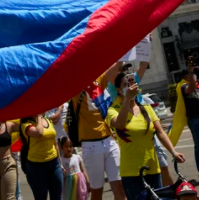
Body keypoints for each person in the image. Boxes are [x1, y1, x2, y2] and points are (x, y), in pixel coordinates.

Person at [106, 72, 184, 200]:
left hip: (153, 168)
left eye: (131, 83)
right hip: (131, 172)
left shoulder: (147, 108)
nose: (130, 87)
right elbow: (119, 124)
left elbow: (160, 132)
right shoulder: (113, 110)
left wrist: (173, 152)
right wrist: (127, 99)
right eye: (125, 85)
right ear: (119, 91)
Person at [69, 70, 125, 200]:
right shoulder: (76, 87)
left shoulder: (99, 80)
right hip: (90, 145)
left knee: (120, 187)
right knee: (97, 191)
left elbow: (115, 66)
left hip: (109, 141)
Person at [20, 114, 61, 200]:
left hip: (54, 164)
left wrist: (60, 163)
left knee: (57, 197)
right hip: (36, 168)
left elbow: (54, 143)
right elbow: (39, 133)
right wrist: (39, 116)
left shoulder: (48, 120)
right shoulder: (25, 124)